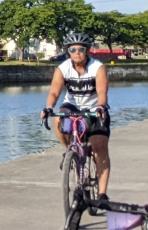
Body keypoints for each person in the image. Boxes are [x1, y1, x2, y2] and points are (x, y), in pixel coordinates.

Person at [41, 32, 110, 199]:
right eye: (73, 49)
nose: (77, 53)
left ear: (87, 50)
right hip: (72, 106)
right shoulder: (63, 68)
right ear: (68, 51)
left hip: (94, 108)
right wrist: (48, 107)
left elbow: (102, 90)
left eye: (81, 49)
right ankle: (68, 152)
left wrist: (101, 107)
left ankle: (101, 194)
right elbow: (54, 92)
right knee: (59, 118)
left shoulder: (97, 67)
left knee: (99, 149)